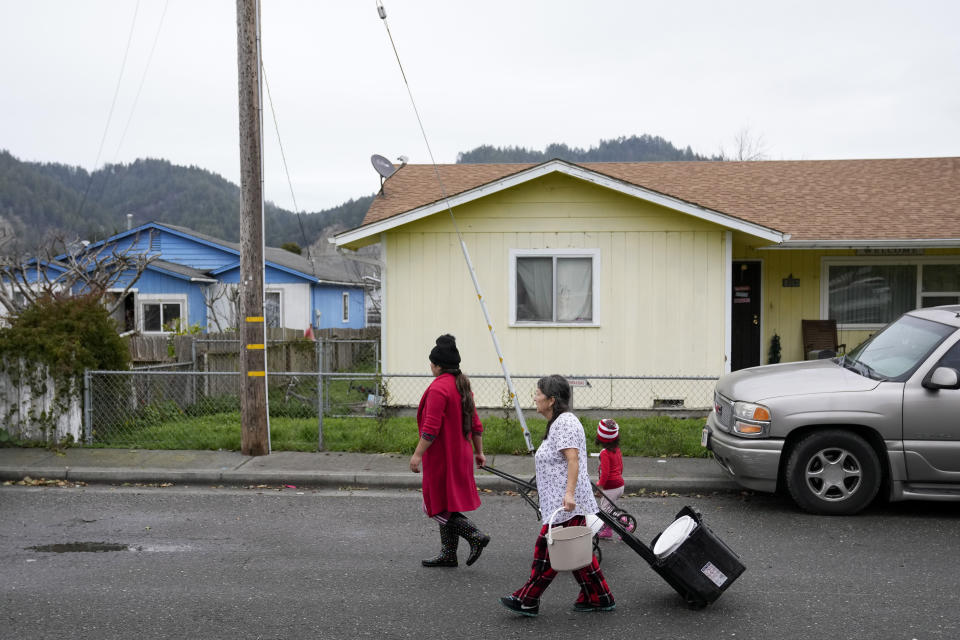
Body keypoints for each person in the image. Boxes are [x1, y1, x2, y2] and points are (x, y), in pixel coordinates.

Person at [500, 375, 615, 617]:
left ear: (551, 400)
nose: (534, 397)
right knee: (577, 552)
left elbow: (573, 460)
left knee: (547, 551)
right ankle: (599, 597)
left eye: (538, 393)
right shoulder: (559, 422)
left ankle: (528, 599)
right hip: (561, 503)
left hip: (566, 504)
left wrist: (569, 495)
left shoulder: (564, 423)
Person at [409, 334, 490, 568]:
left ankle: (475, 535)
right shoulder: (462, 385)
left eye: (431, 363)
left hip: (443, 457)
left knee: (437, 505)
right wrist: (479, 452)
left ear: (437, 365)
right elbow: (476, 424)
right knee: (447, 503)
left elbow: (430, 429)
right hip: (461, 455)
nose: (430, 366)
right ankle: (448, 553)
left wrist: (417, 455)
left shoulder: (438, 389)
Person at [595, 419, 624, 540]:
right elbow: (621, 466)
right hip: (619, 485)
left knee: (606, 510)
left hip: (610, 487)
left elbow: (605, 473)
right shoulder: (616, 449)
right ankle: (607, 530)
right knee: (610, 508)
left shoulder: (604, 453)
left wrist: (600, 487)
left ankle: (625, 524)